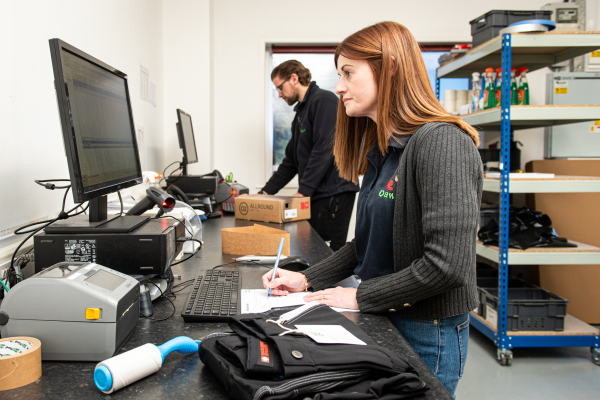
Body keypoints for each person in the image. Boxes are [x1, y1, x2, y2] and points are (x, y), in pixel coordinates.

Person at [262, 22, 482, 396]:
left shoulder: (441, 142)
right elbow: (365, 242)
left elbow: (448, 266)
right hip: (389, 313)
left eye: (349, 72)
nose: (340, 86)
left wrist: (360, 296)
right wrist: (309, 278)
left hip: (428, 328)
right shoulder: (383, 150)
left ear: (390, 67)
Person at [260, 60, 359, 251]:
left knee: (326, 253)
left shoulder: (323, 101)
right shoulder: (301, 113)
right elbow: (290, 161)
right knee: (311, 251)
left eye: (280, 87)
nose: (279, 94)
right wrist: (264, 193)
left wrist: (303, 191)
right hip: (317, 194)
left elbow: (324, 150)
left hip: (334, 193)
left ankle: (333, 283)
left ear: (294, 78)